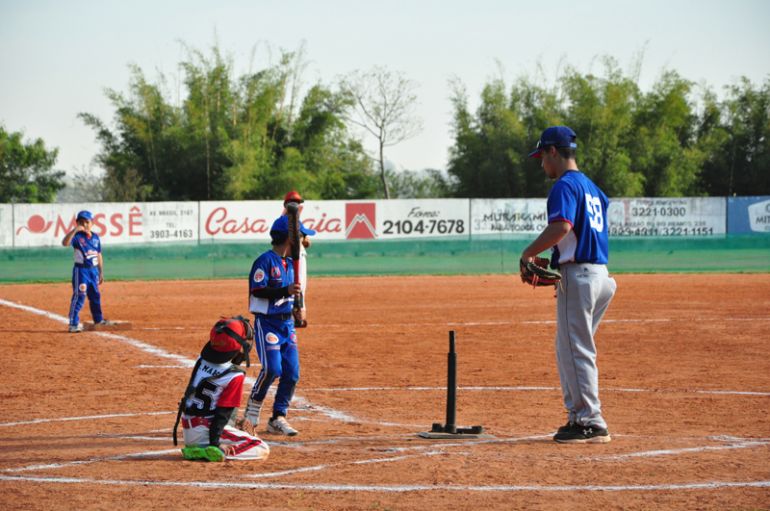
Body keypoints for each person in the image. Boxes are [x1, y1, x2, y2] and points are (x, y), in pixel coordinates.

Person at [521, 126, 617, 444]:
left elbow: (562, 226)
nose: (541, 165)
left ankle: (590, 421)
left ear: (553, 151)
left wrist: (529, 253)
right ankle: (579, 417)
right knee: (569, 348)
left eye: (542, 157)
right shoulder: (592, 187)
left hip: (578, 277)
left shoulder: (564, 186)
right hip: (600, 275)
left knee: (575, 349)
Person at [237, 215, 315, 436]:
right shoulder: (265, 261)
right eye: (300, 238)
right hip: (268, 323)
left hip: (287, 325)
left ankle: (278, 417)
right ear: (290, 239)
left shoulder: (290, 263)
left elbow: (291, 294)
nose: (302, 243)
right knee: (273, 369)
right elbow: (258, 290)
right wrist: (285, 291)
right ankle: (251, 415)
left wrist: (296, 309)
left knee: (292, 373)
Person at [175, 316, 270, 462]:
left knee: (231, 422)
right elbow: (222, 413)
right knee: (261, 447)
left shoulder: (201, 361)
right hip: (206, 431)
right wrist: (216, 443)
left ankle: (199, 447)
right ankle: (211, 451)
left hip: (188, 430)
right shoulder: (234, 375)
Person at [61, 210, 113, 333]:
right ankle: (73, 324)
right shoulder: (77, 237)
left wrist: (100, 272)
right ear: (77, 223)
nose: (84, 224)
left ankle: (98, 320)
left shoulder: (95, 237)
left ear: (92, 223)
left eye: (87, 222)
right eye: (81, 222)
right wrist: (74, 230)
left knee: (95, 296)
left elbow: (99, 254)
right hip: (81, 271)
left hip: (93, 271)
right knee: (79, 296)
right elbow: (65, 243)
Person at [282, 190, 313, 326]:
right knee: (298, 285)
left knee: (294, 284)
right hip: (296, 256)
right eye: (297, 203)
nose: (299, 205)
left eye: (299, 203)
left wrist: (304, 238)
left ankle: (295, 316)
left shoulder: (287, 220)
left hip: (290, 256)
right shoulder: (290, 220)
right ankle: (298, 317)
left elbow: (306, 239)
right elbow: (306, 241)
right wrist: (304, 239)